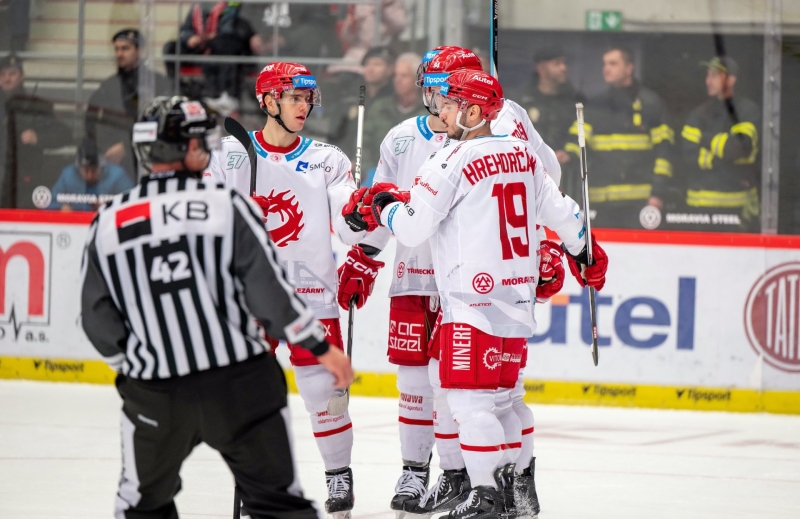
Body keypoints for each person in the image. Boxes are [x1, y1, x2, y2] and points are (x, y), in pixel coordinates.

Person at [345, 69, 607, 519]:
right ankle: (514, 493)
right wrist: (584, 253)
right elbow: (566, 215)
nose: (441, 112)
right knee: (505, 401)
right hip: (517, 303)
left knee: (468, 403)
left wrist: (381, 206)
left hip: (471, 304)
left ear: (472, 111)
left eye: (449, 104)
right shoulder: (524, 155)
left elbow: (412, 227)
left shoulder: (450, 159)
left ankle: (484, 495)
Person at [80, 95, 353, 519]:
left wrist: (136, 367)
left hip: (155, 389)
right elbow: (269, 294)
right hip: (238, 382)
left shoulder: (108, 221)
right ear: (190, 149)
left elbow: (96, 319)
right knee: (279, 504)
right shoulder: (227, 206)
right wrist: (321, 348)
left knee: (142, 507)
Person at [205, 62, 368, 519]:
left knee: (324, 392)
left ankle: (339, 475)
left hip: (311, 291)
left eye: (308, 99)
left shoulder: (328, 160)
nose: (304, 106)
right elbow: (205, 211)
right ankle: (256, 480)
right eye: (295, 97)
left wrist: (358, 212)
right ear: (268, 101)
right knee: (250, 394)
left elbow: (347, 224)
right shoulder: (230, 153)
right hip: (251, 293)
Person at [565, 45, 673, 229]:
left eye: (613, 63)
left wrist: (657, 194)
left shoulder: (650, 104)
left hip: (640, 203)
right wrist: (564, 155)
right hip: (601, 204)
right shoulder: (595, 105)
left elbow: (665, 153)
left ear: (629, 68)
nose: (606, 68)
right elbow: (577, 142)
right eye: (604, 64)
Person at [679, 56, 760, 232]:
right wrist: (726, 156)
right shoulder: (697, 114)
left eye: (715, 75)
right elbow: (688, 156)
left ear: (731, 80)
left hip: (737, 209)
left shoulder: (747, 111)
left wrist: (705, 139)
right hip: (698, 209)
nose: (708, 81)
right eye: (707, 75)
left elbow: (739, 148)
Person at [85, 29, 171, 180]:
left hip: (149, 161)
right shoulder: (108, 87)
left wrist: (126, 145)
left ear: (140, 50)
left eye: (125, 48)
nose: (119, 54)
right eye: (116, 49)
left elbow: (164, 124)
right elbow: (91, 124)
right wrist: (101, 151)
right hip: (111, 165)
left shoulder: (157, 83)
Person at [0, 53, 71, 208]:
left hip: (25, 177)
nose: (6, 79)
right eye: (2, 74)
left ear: (22, 77)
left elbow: (64, 134)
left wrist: (38, 137)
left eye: (12, 74)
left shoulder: (35, 106)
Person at [519, 46, 585, 201]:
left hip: (568, 181)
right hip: (530, 180)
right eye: (557, 64)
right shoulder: (522, 102)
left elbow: (583, 132)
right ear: (541, 69)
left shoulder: (576, 102)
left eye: (564, 63)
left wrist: (569, 153)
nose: (564, 68)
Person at [162, 2, 256, 98]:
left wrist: (206, 38)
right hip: (197, 46)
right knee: (170, 48)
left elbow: (228, 31)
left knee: (220, 46)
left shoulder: (229, 7)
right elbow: (185, 29)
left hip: (217, 46)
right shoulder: (197, 7)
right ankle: (179, 89)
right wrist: (189, 37)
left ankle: (217, 95)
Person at [361, 52, 427, 179]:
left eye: (404, 76)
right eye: (396, 75)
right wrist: (368, 170)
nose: (398, 80)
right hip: (378, 174)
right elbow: (364, 143)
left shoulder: (429, 111)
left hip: (418, 177)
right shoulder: (380, 107)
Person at [329, 46, 396, 160]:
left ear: (390, 69)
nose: (371, 69)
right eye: (367, 64)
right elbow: (337, 133)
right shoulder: (350, 96)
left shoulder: (395, 98)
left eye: (377, 64)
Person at [48, 139, 133, 211]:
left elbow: (132, 201)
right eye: (85, 170)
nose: (89, 175)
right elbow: (50, 202)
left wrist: (110, 206)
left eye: (93, 170)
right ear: (78, 167)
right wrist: (61, 207)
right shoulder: (68, 175)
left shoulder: (117, 175)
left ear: (102, 167)